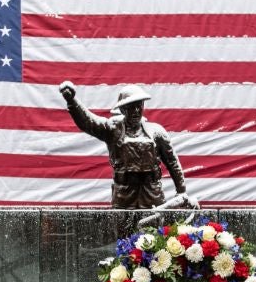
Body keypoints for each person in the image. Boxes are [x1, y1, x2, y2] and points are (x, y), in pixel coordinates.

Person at [59, 81, 187, 209]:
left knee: (153, 227)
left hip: (152, 193)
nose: (136, 110)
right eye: (131, 106)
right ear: (122, 109)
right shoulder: (113, 130)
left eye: (139, 105)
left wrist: (181, 191)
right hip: (123, 194)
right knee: (122, 228)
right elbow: (89, 122)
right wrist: (72, 101)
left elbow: (172, 162)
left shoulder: (156, 132)